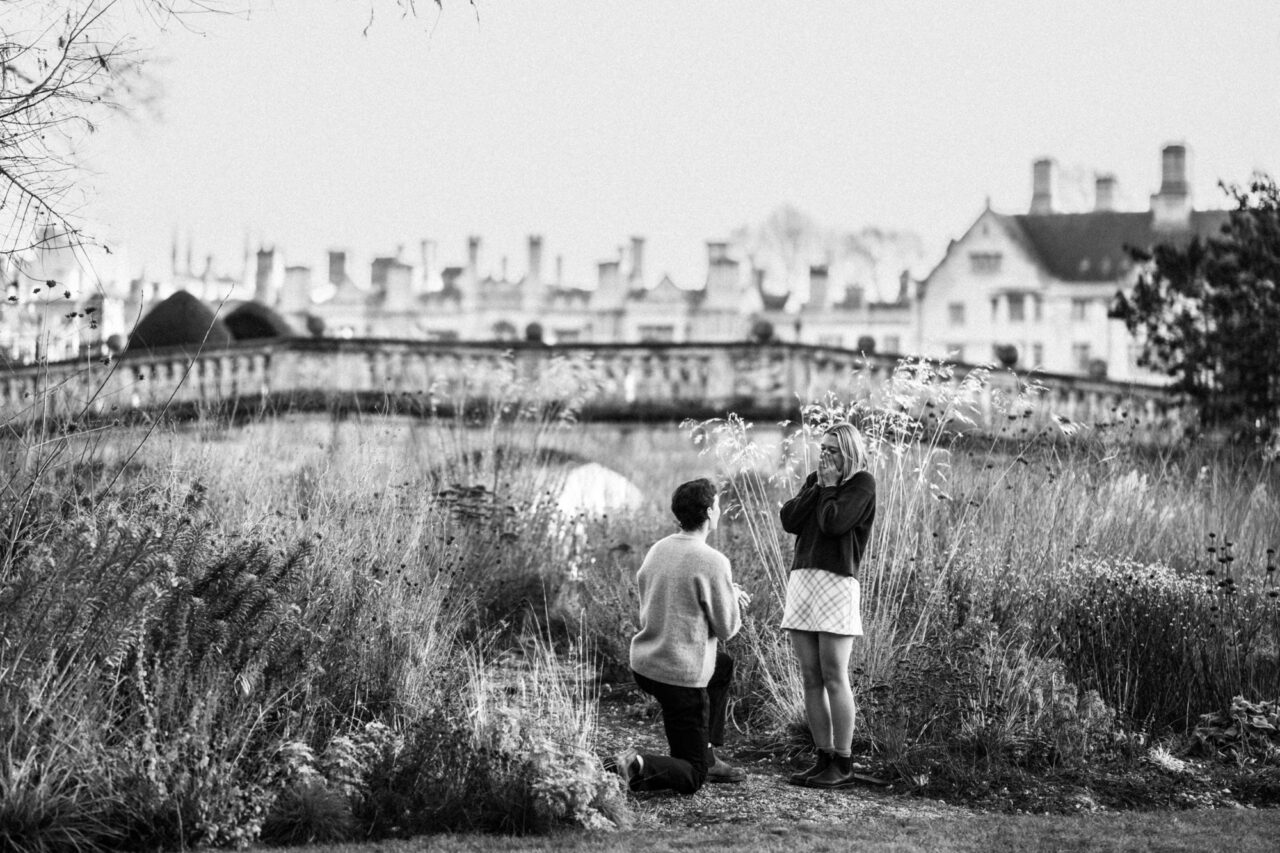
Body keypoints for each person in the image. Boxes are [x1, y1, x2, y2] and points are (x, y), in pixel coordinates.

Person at [608, 477, 751, 794]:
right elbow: (728, 628)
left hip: (647, 664)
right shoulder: (714, 561)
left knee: (722, 666)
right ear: (711, 511)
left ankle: (708, 751)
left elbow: (669, 598)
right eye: (718, 504)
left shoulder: (660, 549)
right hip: (680, 676)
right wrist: (731, 599)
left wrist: (724, 592)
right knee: (692, 775)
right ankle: (634, 765)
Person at [779, 421, 876, 789]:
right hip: (802, 580)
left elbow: (834, 524)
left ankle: (844, 760)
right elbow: (790, 520)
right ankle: (822, 758)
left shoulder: (862, 484)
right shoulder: (815, 482)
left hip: (837, 583)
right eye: (821, 449)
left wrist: (831, 488)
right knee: (810, 676)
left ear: (848, 452)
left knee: (835, 674)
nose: (824, 456)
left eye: (832, 450)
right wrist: (818, 487)